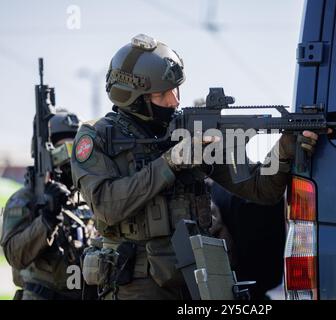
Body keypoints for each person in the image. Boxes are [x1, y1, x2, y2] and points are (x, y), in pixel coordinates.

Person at [70, 34, 320, 300]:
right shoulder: (96, 138)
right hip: (137, 284)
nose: (175, 101)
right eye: (162, 94)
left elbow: (261, 190)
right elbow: (107, 206)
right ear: (134, 98)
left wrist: (283, 149)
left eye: (176, 89)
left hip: (198, 278)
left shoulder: (189, 130)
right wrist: (169, 163)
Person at [1, 110, 96, 300]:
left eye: (78, 149)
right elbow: (15, 256)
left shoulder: (87, 198)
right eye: (65, 149)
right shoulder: (26, 198)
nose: (72, 158)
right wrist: (47, 219)